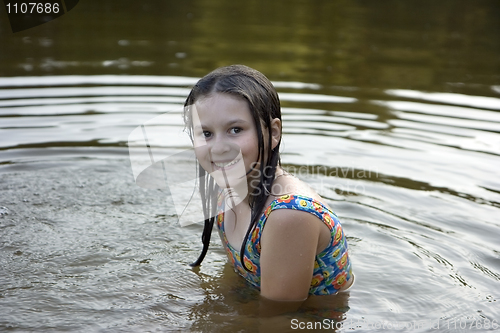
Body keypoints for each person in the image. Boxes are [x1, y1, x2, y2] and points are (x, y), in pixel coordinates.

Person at [183, 65, 353, 302]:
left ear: (273, 133)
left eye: (235, 129)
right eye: (206, 134)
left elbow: (278, 320)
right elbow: (237, 279)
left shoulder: (289, 215)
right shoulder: (228, 190)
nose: (218, 148)